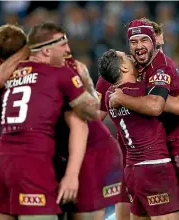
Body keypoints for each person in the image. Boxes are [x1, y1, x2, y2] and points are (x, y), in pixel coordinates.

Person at [109, 19, 179, 220]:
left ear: (154, 42)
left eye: (144, 40)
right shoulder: (128, 67)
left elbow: (166, 106)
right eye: (134, 42)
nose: (138, 46)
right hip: (159, 146)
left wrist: (122, 98)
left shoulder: (160, 66)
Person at [0, 23, 100, 220]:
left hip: (2, 165)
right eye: (62, 45)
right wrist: (87, 81)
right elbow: (89, 115)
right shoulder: (60, 72)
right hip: (35, 165)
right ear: (43, 50)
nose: (68, 51)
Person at [95, 18, 179, 220]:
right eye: (128, 52)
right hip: (154, 166)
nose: (132, 54)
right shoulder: (142, 89)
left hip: (131, 170)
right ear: (122, 68)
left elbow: (95, 114)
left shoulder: (110, 94)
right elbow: (165, 105)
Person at [53, 55, 123, 220]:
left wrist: (71, 174)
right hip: (67, 153)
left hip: (92, 153)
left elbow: (85, 121)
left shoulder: (63, 72)